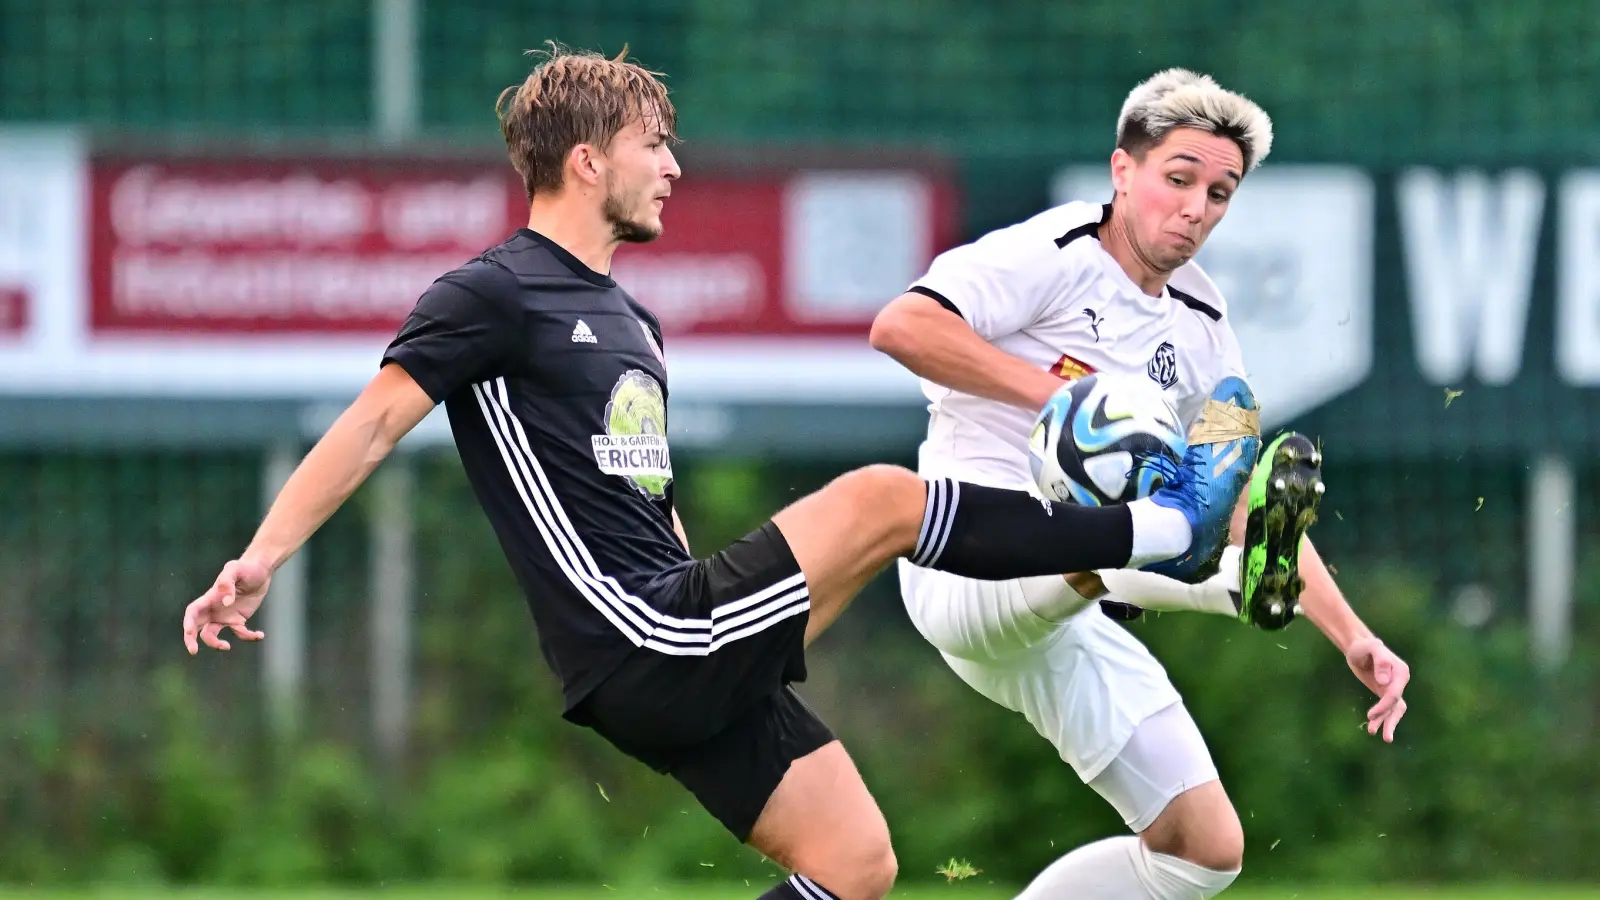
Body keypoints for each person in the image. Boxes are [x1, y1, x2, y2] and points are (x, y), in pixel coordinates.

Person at [179, 46, 1223, 900]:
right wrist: (261, 557)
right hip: (637, 633)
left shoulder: (634, 320)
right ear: (586, 161)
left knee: (856, 864)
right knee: (879, 500)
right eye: (653, 145)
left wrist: (758, 619)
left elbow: (647, 506)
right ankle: (1161, 537)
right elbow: (368, 426)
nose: (673, 166)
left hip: (675, 625)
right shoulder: (492, 293)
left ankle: (1152, 540)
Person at [870, 69, 1413, 899]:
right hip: (964, 558)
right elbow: (901, 325)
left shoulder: (1203, 324)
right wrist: (1065, 400)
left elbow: (1243, 495)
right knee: (1154, 510)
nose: (1197, 207)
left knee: (1203, 850)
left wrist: (1353, 637)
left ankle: (1219, 579)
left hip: (1071, 604)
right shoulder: (1050, 253)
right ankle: (1217, 588)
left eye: (1221, 192)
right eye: (1179, 178)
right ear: (1123, 171)